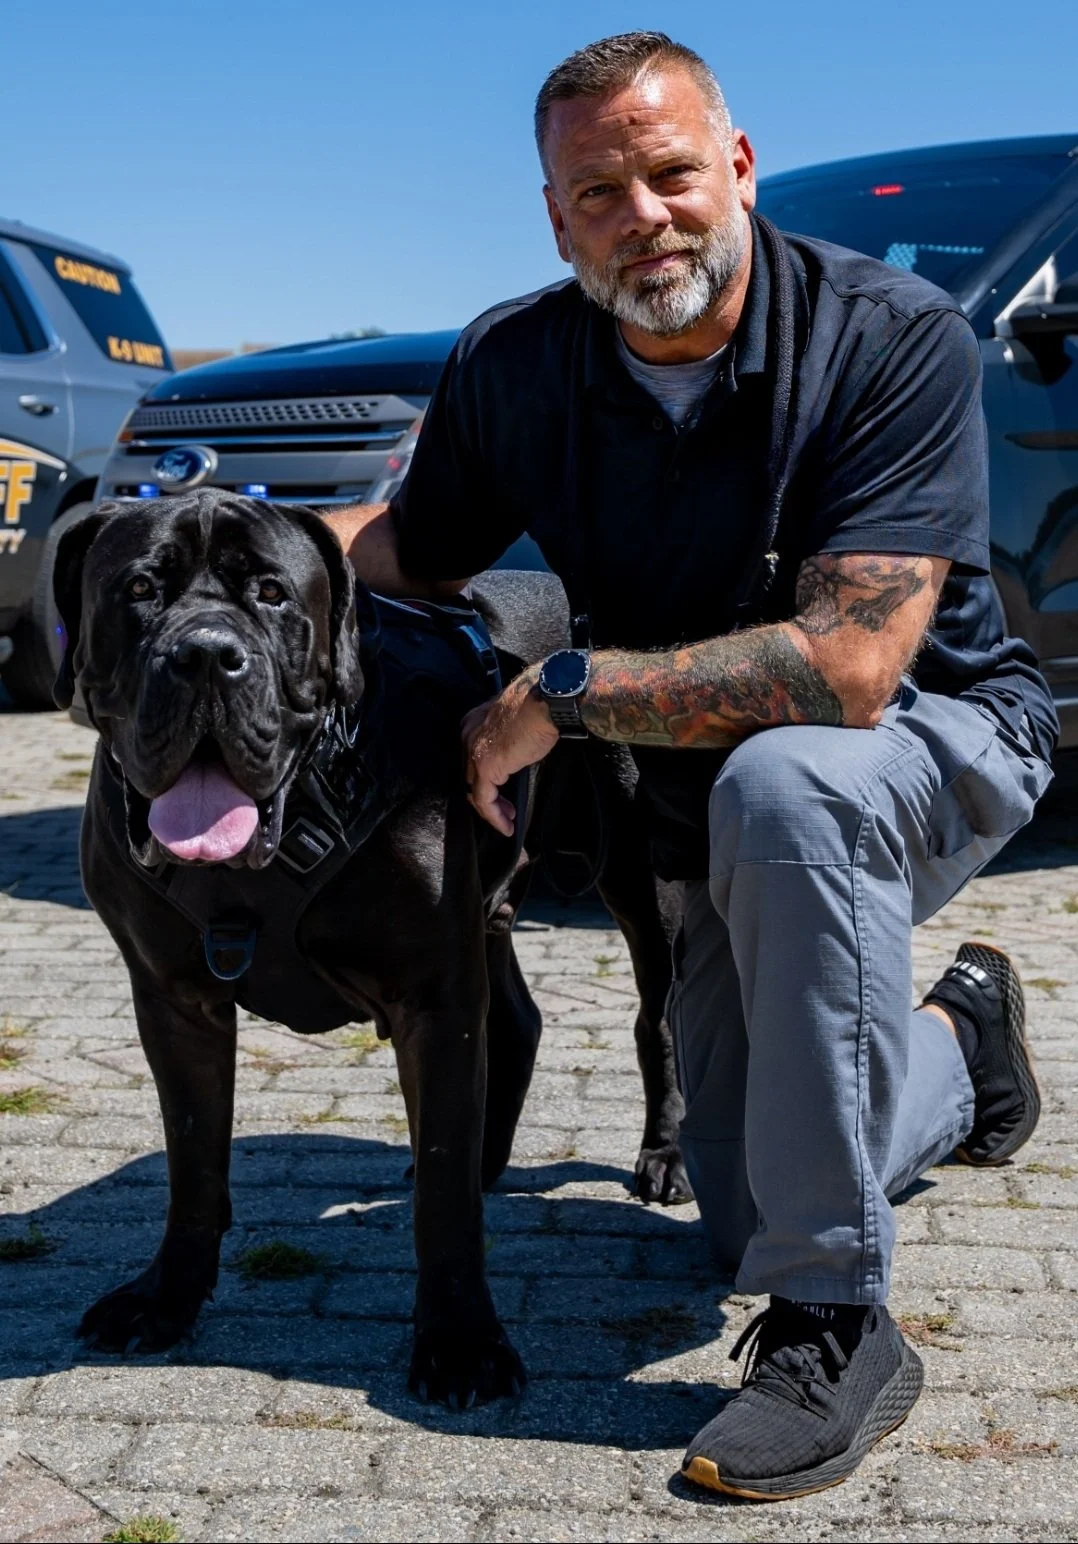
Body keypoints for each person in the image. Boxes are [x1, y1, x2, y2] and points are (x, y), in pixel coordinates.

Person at [325, 31, 1057, 1502]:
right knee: (743, 1198)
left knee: (788, 781)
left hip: (934, 735)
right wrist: (225, 584)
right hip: (705, 786)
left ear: (732, 168)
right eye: (598, 191)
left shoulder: (889, 333)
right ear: (553, 214)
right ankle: (959, 1044)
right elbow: (411, 549)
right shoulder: (514, 361)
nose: (642, 214)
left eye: (669, 174)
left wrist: (568, 689)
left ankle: (837, 1325)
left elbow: (849, 673)